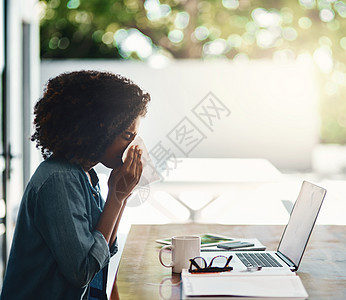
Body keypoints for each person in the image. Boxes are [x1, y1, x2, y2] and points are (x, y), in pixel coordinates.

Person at [0, 70, 151, 300]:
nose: (132, 147)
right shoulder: (59, 179)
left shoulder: (85, 175)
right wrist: (116, 199)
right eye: (127, 136)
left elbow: (105, 250)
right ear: (99, 129)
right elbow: (82, 271)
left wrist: (122, 195)